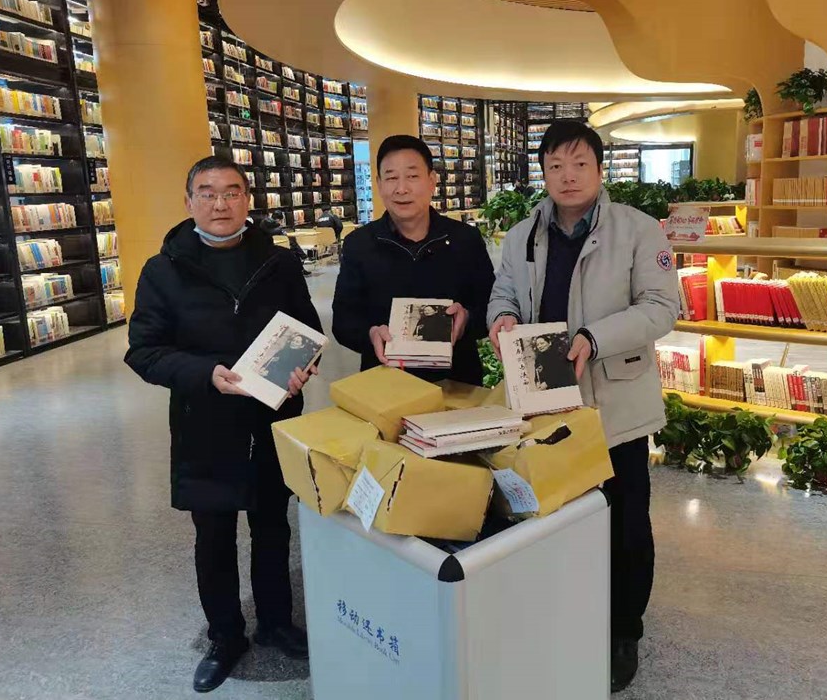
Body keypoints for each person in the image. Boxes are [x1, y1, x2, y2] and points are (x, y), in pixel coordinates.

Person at [487, 120, 679, 693]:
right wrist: (502, 318)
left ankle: (623, 630)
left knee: (625, 521)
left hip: (615, 402)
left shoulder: (639, 230)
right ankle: (566, 612)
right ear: (543, 172)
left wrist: (594, 338)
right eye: (555, 166)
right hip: (545, 400)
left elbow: (661, 307)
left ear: (600, 169)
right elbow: (503, 291)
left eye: (579, 164)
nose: (567, 177)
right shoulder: (522, 234)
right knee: (553, 514)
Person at [125, 156, 323, 693]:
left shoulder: (279, 262)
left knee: (272, 524)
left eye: (232, 192)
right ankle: (225, 635)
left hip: (270, 416)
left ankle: (276, 621)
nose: (220, 203)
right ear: (189, 201)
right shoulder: (163, 270)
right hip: (205, 421)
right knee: (213, 534)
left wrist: (302, 369)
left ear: (247, 200)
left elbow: (307, 330)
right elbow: (144, 351)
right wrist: (205, 374)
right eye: (208, 192)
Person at [333, 134, 495, 385]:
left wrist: (467, 320)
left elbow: (490, 306)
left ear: (432, 181)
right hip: (386, 383)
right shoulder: (360, 244)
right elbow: (343, 320)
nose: (401, 188)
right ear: (379, 184)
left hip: (457, 383)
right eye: (391, 178)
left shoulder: (465, 239)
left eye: (412, 176)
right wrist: (370, 333)